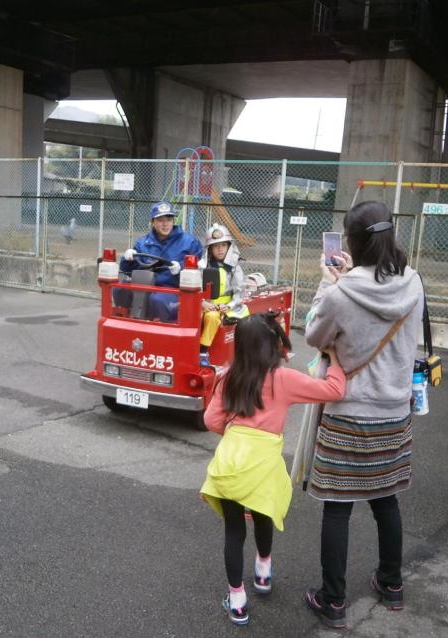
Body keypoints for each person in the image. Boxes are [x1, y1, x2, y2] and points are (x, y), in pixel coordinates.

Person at [303, 201, 424, 630]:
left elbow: (315, 335)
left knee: (337, 507)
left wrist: (326, 283)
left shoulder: (340, 292)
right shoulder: (413, 282)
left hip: (349, 411)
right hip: (394, 411)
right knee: (385, 498)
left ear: (352, 242)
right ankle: (391, 583)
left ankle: (333, 601)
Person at [200, 313, 346, 627]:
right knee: (263, 513)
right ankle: (263, 571)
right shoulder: (283, 378)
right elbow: (334, 391)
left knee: (234, 530)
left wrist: (237, 431)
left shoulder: (229, 376)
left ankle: (237, 600)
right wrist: (333, 358)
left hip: (231, 461)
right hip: (263, 462)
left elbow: (211, 421)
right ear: (272, 344)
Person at [119, 201, 203, 321]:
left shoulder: (190, 242)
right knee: (120, 289)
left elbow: (200, 265)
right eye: (160, 220)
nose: (165, 224)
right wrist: (127, 259)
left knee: (157, 300)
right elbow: (128, 271)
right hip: (146, 287)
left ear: (173, 221)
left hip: (175, 290)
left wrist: (181, 266)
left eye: (168, 219)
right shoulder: (142, 243)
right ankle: (125, 322)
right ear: (152, 222)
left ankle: (165, 329)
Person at [198, 223, 249, 366]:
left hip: (227, 307)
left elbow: (239, 292)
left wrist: (229, 305)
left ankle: (203, 351)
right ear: (210, 249)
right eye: (216, 246)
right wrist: (202, 302)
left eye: (223, 245)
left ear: (229, 247)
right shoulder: (202, 266)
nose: (220, 249)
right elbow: (195, 288)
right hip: (205, 304)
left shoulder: (234, 268)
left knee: (212, 317)